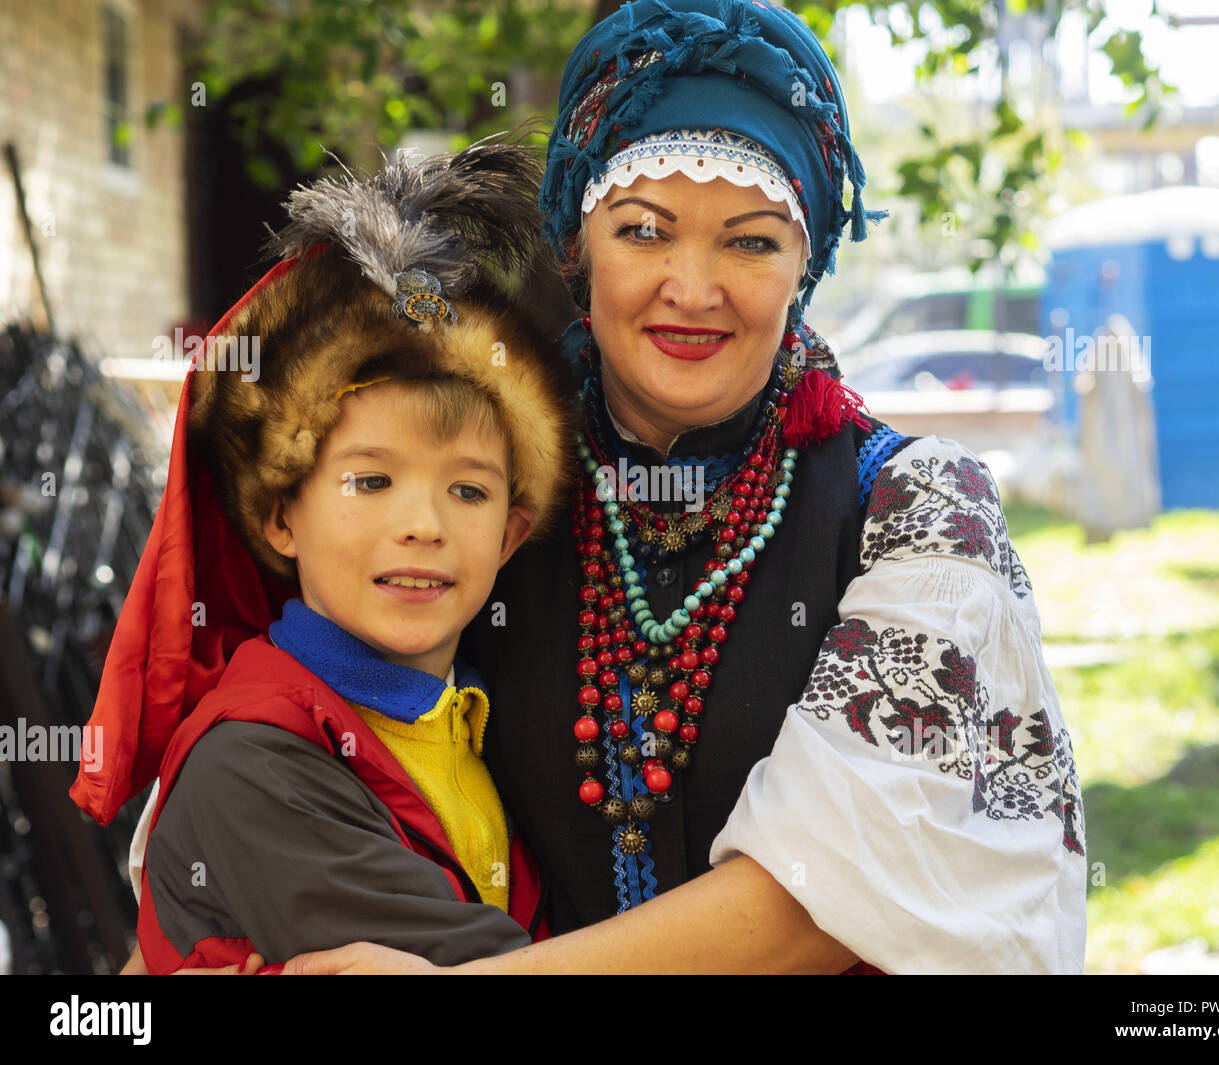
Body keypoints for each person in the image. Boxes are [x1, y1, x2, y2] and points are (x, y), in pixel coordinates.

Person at [273, 0, 1087, 975]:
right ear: (578, 247)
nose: (692, 289)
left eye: (749, 242)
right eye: (644, 232)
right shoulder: (477, 481)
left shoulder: (915, 511)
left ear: (806, 261)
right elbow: (296, 716)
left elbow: (817, 905)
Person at [71, 142, 574, 971]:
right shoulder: (257, 761)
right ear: (280, 516)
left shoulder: (477, 719)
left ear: (513, 534)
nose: (423, 525)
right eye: (370, 480)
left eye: (470, 492)